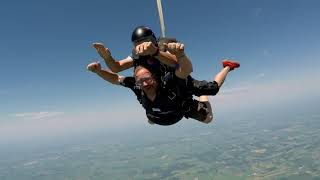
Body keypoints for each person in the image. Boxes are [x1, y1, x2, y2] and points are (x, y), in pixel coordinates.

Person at [87, 42, 240, 125]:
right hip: (158, 114)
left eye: (147, 79)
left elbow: (185, 69)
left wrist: (180, 55)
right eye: (140, 81)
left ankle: (227, 67)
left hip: (180, 108)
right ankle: (153, 116)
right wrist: (99, 71)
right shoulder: (136, 85)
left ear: (155, 77)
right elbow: (115, 78)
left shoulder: (169, 82)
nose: (145, 84)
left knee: (208, 115)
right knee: (152, 117)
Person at [92, 26, 192, 77]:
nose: (143, 47)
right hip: (158, 90)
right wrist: (107, 58)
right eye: (138, 44)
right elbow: (117, 67)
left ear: (154, 40)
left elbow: (177, 64)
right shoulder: (137, 54)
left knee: (204, 114)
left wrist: (155, 52)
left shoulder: (164, 46)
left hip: (179, 81)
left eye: (146, 42)